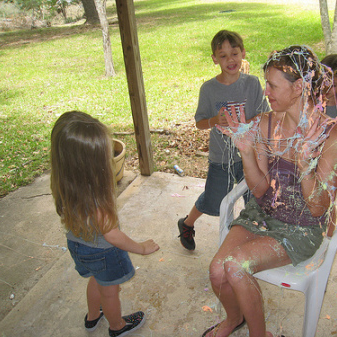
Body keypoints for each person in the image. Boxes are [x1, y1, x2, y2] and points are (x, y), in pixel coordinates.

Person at [203, 45, 337, 337]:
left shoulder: (333, 135)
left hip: (302, 227)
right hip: (263, 214)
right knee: (217, 271)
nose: (265, 92)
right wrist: (246, 151)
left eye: (272, 85)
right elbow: (259, 192)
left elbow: (320, 208)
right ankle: (234, 320)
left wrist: (305, 165)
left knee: (235, 266)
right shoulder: (264, 124)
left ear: (298, 88)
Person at [50, 111, 160, 337]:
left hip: (78, 246)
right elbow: (112, 235)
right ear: (91, 164)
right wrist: (141, 247)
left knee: (95, 279)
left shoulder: (65, 183)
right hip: (103, 253)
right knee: (110, 292)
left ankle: (92, 317)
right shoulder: (95, 200)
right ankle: (117, 326)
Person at [177, 30, 269, 250]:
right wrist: (213, 120)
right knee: (214, 199)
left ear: (243, 53)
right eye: (224, 56)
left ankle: (250, 236)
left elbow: (264, 114)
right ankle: (187, 223)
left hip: (249, 156)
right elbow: (199, 122)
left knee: (254, 199)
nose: (230, 60)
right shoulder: (209, 89)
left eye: (234, 53)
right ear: (214, 59)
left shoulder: (253, 83)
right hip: (221, 157)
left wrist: (246, 122)